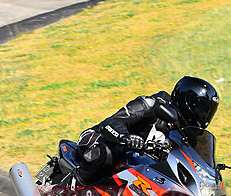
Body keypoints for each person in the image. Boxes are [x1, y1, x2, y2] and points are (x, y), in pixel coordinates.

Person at [73, 76, 219, 186]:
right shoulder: (153, 104)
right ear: (188, 103)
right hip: (98, 140)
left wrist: (211, 173)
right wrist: (125, 138)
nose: (203, 116)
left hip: (135, 166)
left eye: (207, 112)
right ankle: (70, 190)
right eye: (201, 110)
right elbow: (110, 123)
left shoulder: (188, 135)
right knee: (111, 151)